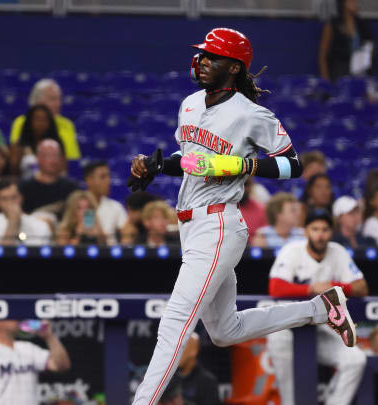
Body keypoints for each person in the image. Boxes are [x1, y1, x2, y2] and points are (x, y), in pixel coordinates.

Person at [128, 28, 358, 405]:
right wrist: (155, 166)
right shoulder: (188, 104)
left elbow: (293, 165)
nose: (202, 62)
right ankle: (320, 307)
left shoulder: (252, 114)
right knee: (223, 329)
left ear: (233, 68)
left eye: (212, 57)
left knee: (175, 324)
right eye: (201, 55)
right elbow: (191, 162)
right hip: (190, 224)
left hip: (218, 224)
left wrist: (240, 163)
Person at [267, 209, 368, 405]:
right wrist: (311, 288)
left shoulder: (337, 251)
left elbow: (362, 287)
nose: (320, 235)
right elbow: (275, 287)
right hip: (286, 328)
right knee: (289, 396)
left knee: (355, 360)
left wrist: (334, 286)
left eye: (324, 229)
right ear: (306, 231)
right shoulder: (292, 250)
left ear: (331, 232)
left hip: (321, 326)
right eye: (315, 229)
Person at [0, 320, 71, 405]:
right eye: (11, 315)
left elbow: (61, 365)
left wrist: (49, 336)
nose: (16, 318)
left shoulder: (28, 348)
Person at [9, 79, 80, 160]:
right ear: (38, 102)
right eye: (53, 99)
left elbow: (73, 158)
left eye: (59, 99)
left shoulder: (68, 124)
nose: (58, 103)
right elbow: (16, 154)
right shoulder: (21, 122)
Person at [0, 179, 52, 246]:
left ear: (21, 198)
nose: (10, 203)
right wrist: (13, 222)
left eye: (14, 197)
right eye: (5, 199)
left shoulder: (41, 225)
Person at [18, 139, 78, 219]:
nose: (53, 160)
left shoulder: (72, 187)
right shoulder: (24, 186)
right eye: (48, 155)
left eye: (56, 155)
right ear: (38, 158)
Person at [318, 0, 374, 81]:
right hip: (339, 75)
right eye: (352, 1)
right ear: (343, 3)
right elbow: (322, 56)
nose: (356, 3)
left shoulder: (362, 25)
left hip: (360, 73)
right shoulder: (332, 25)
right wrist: (327, 81)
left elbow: (369, 47)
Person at [10, 105, 64, 178]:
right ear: (29, 121)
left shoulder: (56, 145)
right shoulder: (19, 145)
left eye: (44, 119)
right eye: (37, 119)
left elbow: (63, 170)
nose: (41, 123)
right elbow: (13, 171)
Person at [84, 161, 128, 246]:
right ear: (89, 180)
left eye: (108, 176)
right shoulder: (78, 205)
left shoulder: (116, 207)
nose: (108, 181)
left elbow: (126, 233)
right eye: (103, 177)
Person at [176, 333, 220, 405]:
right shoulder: (170, 379)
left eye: (182, 348)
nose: (177, 353)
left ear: (194, 351)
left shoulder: (207, 382)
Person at [238, 178, 267, 243]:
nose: (243, 188)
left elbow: (264, 236)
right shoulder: (223, 209)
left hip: (251, 249)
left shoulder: (260, 209)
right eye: (239, 184)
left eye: (246, 184)